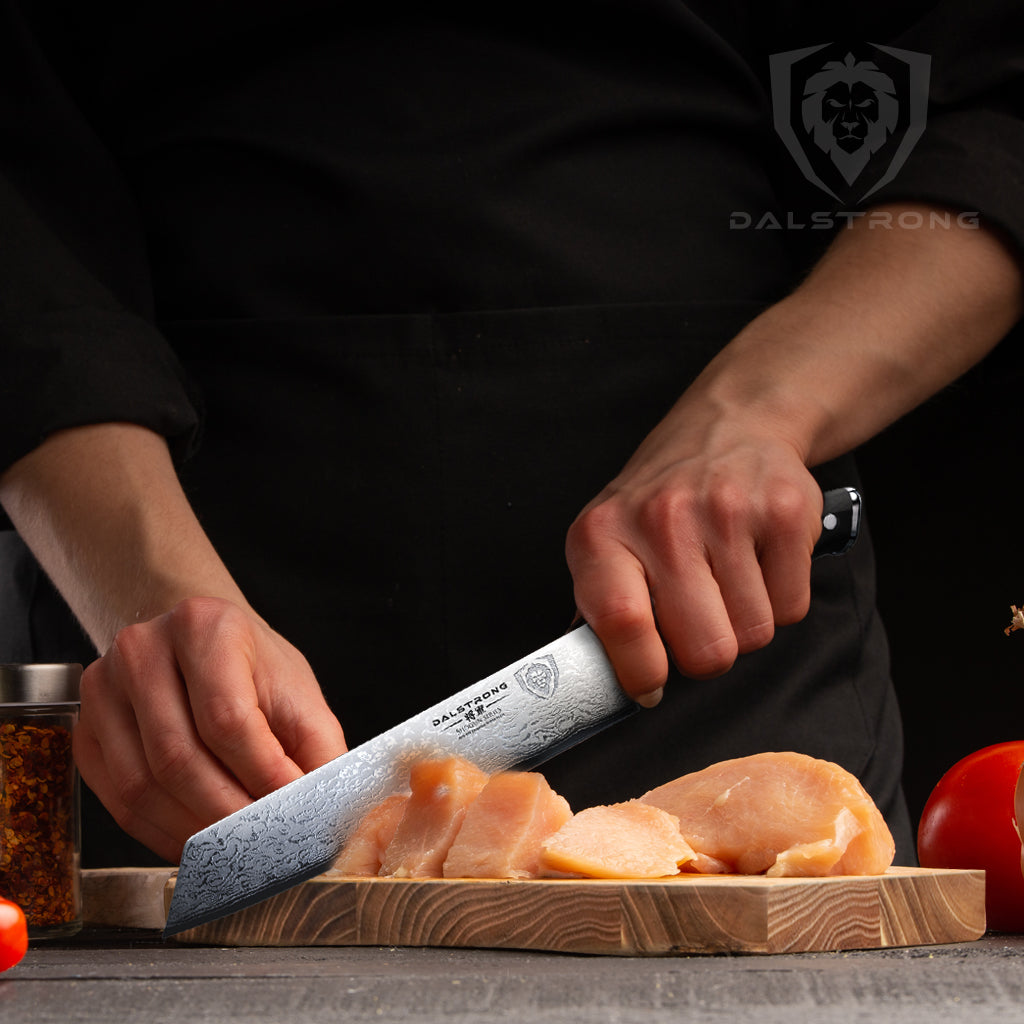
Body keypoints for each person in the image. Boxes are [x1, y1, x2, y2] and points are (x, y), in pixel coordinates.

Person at [1, 0, 1021, 869]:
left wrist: (757, 414)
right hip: (179, 647)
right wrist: (142, 583)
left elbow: (997, 96)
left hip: (720, 635)